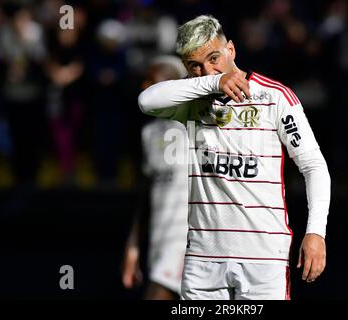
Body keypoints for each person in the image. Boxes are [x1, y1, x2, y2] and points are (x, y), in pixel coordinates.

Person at [138, 15, 331, 300]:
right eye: (195, 65)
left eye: (214, 58)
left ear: (231, 50)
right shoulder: (191, 102)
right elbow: (146, 100)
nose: (206, 70)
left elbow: (313, 165)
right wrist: (214, 82)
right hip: (202, 259)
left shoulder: (274, 97)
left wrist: (316, 232)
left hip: (263, 258)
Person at [122, 56, 189, 299]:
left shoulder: (196, 124)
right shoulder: (149, 133)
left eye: (151, 80)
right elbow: (146, 194)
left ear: (170, 85)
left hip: (188, 241)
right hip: (159, 241)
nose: (143, 86)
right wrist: (133, 246)